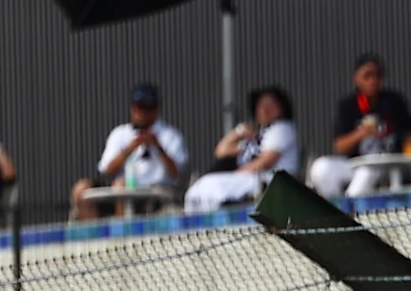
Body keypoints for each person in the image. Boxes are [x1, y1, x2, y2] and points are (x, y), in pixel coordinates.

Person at [310, 55, 411, 203]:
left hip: (387, 166)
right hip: (355, 165)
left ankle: (349, 210)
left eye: (377, 76)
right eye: (367, 76)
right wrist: (360, 134)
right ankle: (337, 208)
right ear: (356, 79)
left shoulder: (393, 101)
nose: (373, 81)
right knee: (321, 167)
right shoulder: (349, 105)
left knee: (371, 166)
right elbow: (339, 147)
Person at [72, 83, 188, 219]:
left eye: (148, 108)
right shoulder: (120, 133)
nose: (143, 113)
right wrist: (130, 148)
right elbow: (107, 169)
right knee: (82, 188)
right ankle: (91, 234)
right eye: (139, 108)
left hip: (155, 193)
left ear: (156, 109)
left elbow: (176, 173)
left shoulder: (170, 135)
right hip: (122, 189)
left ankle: (124, 234)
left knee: (121, 186)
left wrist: (158, 147)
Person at [185, 84, 301, 212]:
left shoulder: (282, 128)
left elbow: (265, 162)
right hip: (250, 178)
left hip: (269, 181)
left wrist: (236, 174)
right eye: (261, 105)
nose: (265, 109)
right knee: (203, 185)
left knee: (211, 185)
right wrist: (239, 132)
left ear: (281, 107)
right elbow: (221, 151)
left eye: (270, 105)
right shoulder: (259, 134)